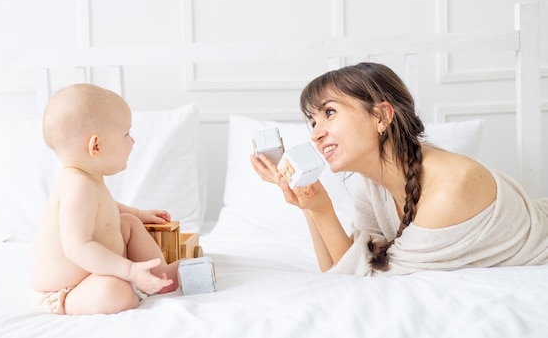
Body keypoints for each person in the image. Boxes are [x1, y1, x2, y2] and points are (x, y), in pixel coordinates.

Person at [251, 62, 548, 276]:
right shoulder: (373, 180)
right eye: (313, 122)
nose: (316, 133)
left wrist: (323, 210)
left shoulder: (449, 190)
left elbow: (367, 278)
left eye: (329, 112)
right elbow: (341, 268)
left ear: (381, 116)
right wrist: (312, 206)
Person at [32, 83, 180, 315]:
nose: (133, 142)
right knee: (114, 290)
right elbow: (78, 248)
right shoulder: (77, 185)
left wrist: (139, 214)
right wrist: (129, 270)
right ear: (96, 146)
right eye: (126, 134)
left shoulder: (87, 178)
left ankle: (159, 275)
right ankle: (135, 282)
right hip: (69, 290)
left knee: (129, 222)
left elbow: (105, 208)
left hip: (94, 274)